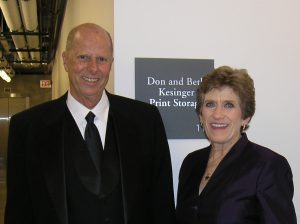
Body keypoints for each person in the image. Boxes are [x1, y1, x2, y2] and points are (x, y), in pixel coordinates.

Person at [5, 23, 175, 224]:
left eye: (101, 59)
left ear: (111, 64)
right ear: (66, 60)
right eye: (83, 57)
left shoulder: (146, 121)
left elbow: (162, 206)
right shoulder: (27, 128)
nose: (93, 68)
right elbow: (19, 212)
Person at [176, 65, 297, 224]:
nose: (217, 114)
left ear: (246, 117)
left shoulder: (268, 165)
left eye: (229, 105)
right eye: (210, 104)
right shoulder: (191, 163)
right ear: (200, 115)